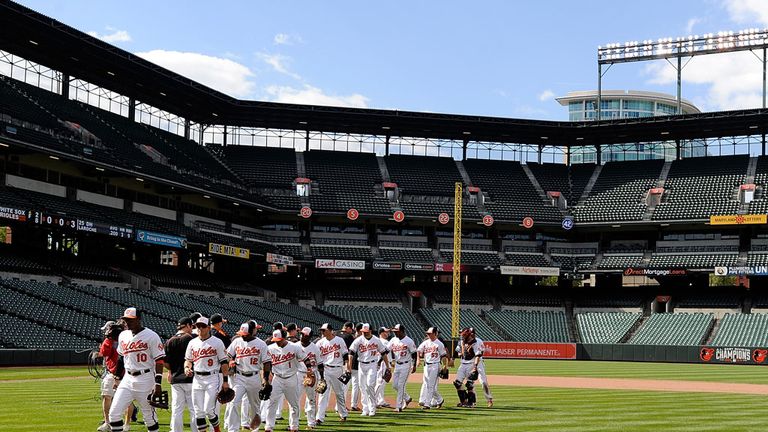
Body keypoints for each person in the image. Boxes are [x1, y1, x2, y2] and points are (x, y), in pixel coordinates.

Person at [107, 308, 165, 432]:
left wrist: (158, 383)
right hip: (127, 379)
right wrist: (117, 378)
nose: (127, 323)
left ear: (138, 320)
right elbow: (121, 358)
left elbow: (159, 360)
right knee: (114, 414)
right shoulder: (123, 335)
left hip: (146, 378)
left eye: (130, 320)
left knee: (149, 418)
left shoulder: (151, 336)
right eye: (125, 320)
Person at [185, 316, 230, 432]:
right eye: (198, 326)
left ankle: (217, 430)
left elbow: (224, 362)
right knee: (198, 411)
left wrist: (225, 381)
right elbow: (188, 360)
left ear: (209, 328)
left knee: (209, 410)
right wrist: (187, 367)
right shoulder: (192, 343)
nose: (200, 328)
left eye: (203, 326)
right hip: (197, 378)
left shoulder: (217, 342)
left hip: (212, 377)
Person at [225, 321, 270, 432]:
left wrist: (265, 379)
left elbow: (267, 363)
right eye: (241, 333)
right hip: (239, 377)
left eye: (245, 334)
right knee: (233, 403)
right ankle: (233, 430)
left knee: (255, 406)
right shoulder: (237, 341)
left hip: (254, 377)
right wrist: (231, 361)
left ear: (251, 332)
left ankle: (255, 429)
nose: (242, 336)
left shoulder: (261, 344)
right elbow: (227, 355)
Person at [264, 329, 312, 432]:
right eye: (275, 339)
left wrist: (309, 369)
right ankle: (269, 427)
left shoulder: (295, 347)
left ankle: (294, 426)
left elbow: (306, 358)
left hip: (291, 378)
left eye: (279, 339)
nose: (277, 342)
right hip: (277, 378)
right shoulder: (270, 348)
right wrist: (266, 378)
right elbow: (266, 363)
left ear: (285, 337)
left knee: (294, 404)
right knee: (272, 403)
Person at [97, 320, 134, 432]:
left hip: (119, 373)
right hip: (121, 372)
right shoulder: (126, 338)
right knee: (107, 396)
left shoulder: (113, 340)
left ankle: (123, 424)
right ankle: (112, 423)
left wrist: (107, 340)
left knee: (112, 397)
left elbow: (104, 353)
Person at [348, 323, 391, 417]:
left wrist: (388, 366)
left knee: (369, 385)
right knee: (362, 387)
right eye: (363, 331)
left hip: (372, 364)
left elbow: (383, 353)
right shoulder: (359, 340)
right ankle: (365, 409)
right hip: (361, 365)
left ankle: (372, 408)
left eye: (366, 332)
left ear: (370, 331)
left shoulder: (376, 340)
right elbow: (351, 352)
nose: (364, 333)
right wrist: (349, 367)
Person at [165, 317, 196, 432]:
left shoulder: (170, 340)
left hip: (176, 379)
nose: (192, 329)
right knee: (194, 409)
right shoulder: (191, 339)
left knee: (177, 409)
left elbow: (166, 363)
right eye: (191, 326)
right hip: (190, 378)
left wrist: (171, 371)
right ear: (188, 325)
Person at [315, 323, 349, 425]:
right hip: (325, 369)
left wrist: (347, 368)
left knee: (339, 393)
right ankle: (319, 418)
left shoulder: (339, 340)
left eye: (324, 330)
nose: (322, 332)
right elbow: (315, 356)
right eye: (321, 330)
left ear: (330, 330)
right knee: (323, 393)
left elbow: (345, 355)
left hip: (337, 369)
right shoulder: (320, 342)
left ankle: (343, 414)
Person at [387, 323, 417, 412]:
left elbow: (414, 354)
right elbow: (387, 350)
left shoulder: (409, 341)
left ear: (402, 331)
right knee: (395, 385)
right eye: (394, 331)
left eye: (397, 331)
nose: (395, 333)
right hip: (397, 364)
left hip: (406, 364)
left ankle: (399, 406)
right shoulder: (393, 340)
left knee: (401, 385)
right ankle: (407, 398)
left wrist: (414, 365)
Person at [296, 327, 321, 430]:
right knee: (295, 400)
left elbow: (319, 363)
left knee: (311, 399)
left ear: (310, 337)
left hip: (312, 374)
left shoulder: (315, 347)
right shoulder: (295, 346)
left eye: (305, 335)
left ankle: (311, 423)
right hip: (298, 374)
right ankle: (294, 423)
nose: (302, 336)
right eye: (302, 334)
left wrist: (322, 378)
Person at [416, 327, 446, 410]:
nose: (428, 335)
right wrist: (418, 360)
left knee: (430, 385)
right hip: (426, 365)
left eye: (430, 333)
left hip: (435, 365)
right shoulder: (425, 342)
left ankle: (427, 404)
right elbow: (418, 350)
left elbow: (443, 356)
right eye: (427, 334)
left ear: (435, 333)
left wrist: (445, 366)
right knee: (426, 384)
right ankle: (440, 400)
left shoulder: (439, 344)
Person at [470, 328, 493, 407]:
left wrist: (475, 364)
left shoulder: (478, 341)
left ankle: (489, 399)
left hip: (479, 363)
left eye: (473, 333)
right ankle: (472, 401)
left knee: (483, 382)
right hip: (469, 363)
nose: (472, 334)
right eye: (470, 333)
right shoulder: (466, 341)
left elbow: (481, 352)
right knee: (470, 384)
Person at [347, 323, 363, 411]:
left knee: (345, 386)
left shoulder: (351, 337)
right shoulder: (360, 339)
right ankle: (354, 405)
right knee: (356, 385)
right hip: (356, 364)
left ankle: (338, 407)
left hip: (348, 364)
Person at [374, 327, 391, 408]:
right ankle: (374, 401)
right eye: (386, 332)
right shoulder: (385, 342)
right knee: (380, 382)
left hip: (379, 363)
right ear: (381, 333)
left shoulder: (377, 340)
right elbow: (384, 354)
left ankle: (381, 400)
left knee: (382, 383)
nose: (387, 333)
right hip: (383, 363)